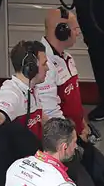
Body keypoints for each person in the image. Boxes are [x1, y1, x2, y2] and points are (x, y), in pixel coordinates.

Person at [38, 8, 90, 141]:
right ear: (62, 31)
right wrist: (73, 138)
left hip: (75, 135)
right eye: (75, 29)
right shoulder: (44, 66)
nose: (78, 33)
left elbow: (73, 101)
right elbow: (50, 113)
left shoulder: (67, 58)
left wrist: (82, 124)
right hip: (62, 140)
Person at [0, 40, 50, 138]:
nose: (48, 68)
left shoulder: (31, 89)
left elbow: (42, 118)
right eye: (44, 64)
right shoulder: (11, 93)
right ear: (31, 67)